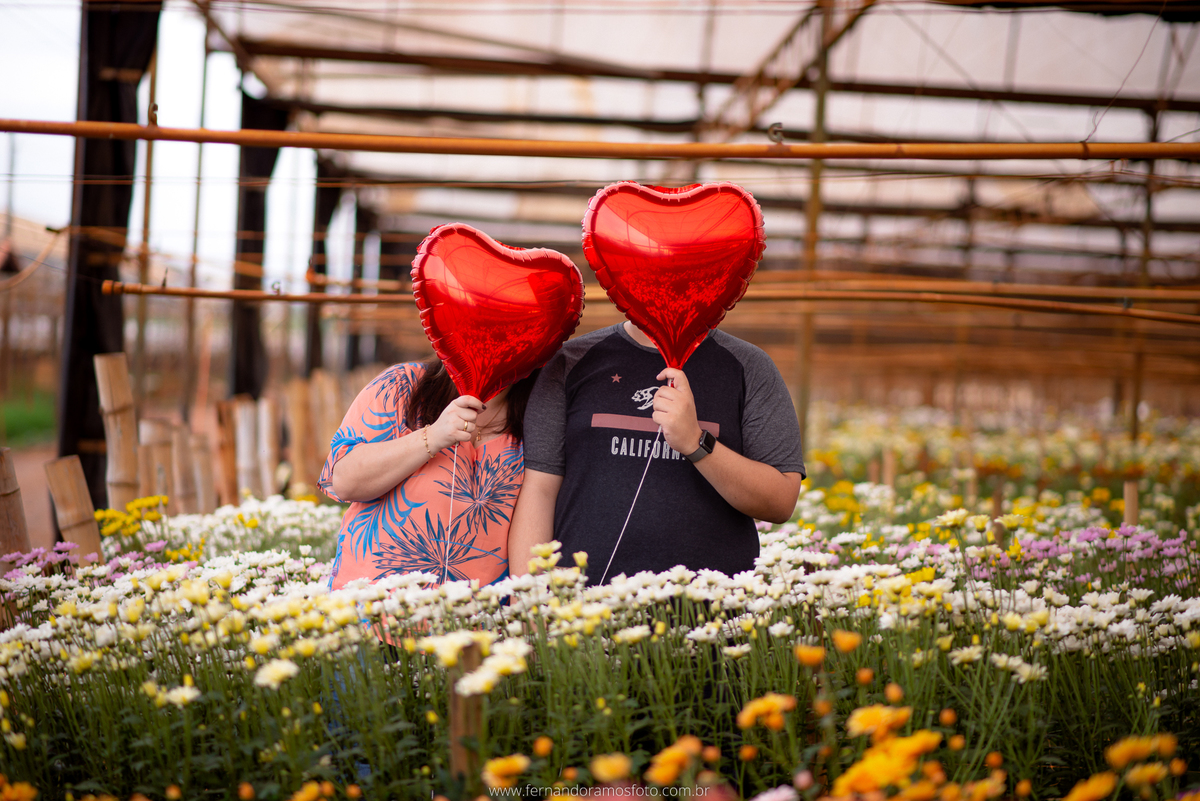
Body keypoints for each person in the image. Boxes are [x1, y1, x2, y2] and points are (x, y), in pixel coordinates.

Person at [508, 320, 804, 584]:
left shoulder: (748, 366)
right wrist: (532, 608)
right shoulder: (572, 361)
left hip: (713, 618)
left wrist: (695, 442)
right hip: (582, 617)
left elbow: (780, 501)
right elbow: (540, 490)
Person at [319, 358, 537, 590]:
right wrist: (433, 436)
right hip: (374, 608)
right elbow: (345, 481)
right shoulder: (402, 384)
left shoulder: (542, 412)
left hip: (475, 617)